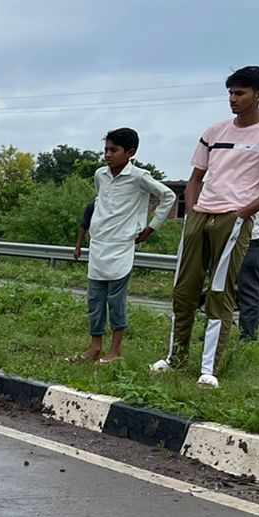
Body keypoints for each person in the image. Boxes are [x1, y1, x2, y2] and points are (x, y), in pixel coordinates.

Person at [152, 67, 259, 388]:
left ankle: (208, 368)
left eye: (240, 93)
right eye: (230, 93)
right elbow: (196, 177)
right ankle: (175, 358)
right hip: (201, 213)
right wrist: (190, 211)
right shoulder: (214, 131)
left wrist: (245, 212)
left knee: (219, 291)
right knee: (184, 288)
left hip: (235, 217)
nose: (233, 99)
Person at [68, 129, 175, 365]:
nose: (107, 155)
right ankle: (95, 347)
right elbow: (101, 202)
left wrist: (150, 228)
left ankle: (115, 350)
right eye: (105, 149)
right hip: (99, 244)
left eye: (114, 150)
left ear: (130, 152)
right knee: (95, 300)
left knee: (116, 301)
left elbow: (168, 196)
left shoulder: (139, 177)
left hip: (122, 245)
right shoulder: (100, 175)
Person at [236, 205, 259, 342]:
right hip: (223, 231)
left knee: (248, 287)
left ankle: (247, 337)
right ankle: (212, 334)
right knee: (218, 285)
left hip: (251, 234)